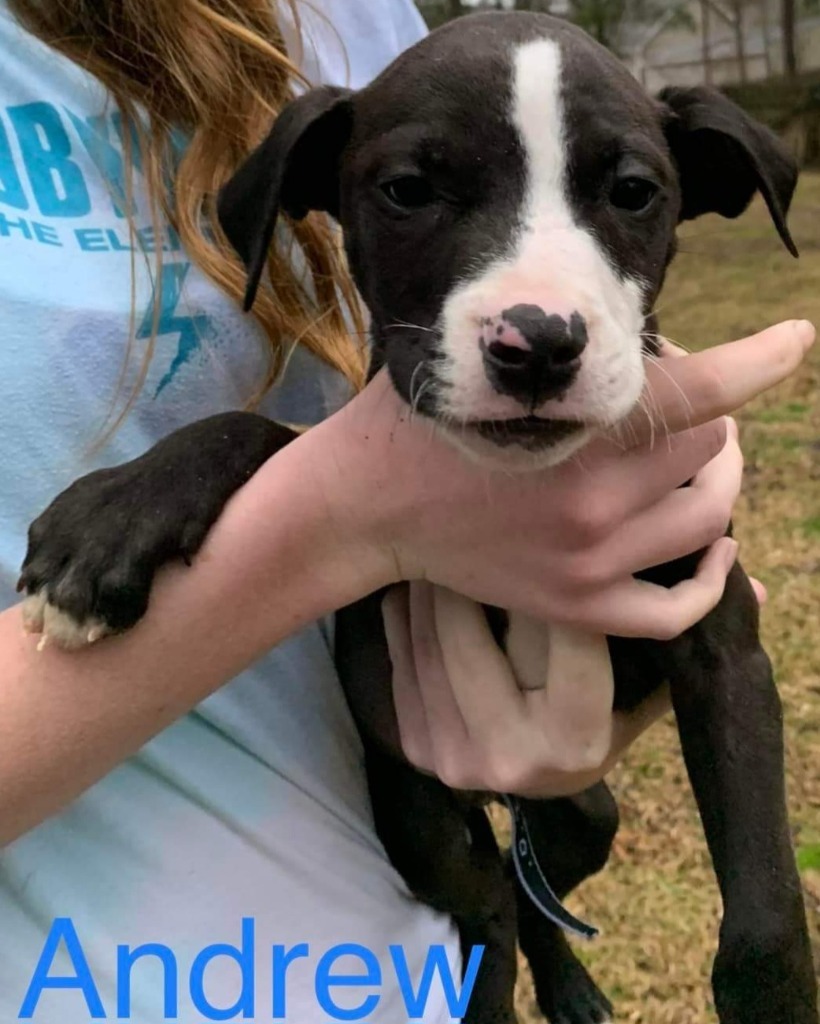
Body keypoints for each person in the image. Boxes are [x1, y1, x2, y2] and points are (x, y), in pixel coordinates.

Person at [0, 0, 814, 1020]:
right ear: (305, 194)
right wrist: (338, 510)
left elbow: (713, 660)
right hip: (123, 971)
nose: (537, 320)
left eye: (630, 192)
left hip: (391, 948)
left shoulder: (357, 17)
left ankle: (550, 945)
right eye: (414, 191)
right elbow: (335, 470)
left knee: (575, 822)